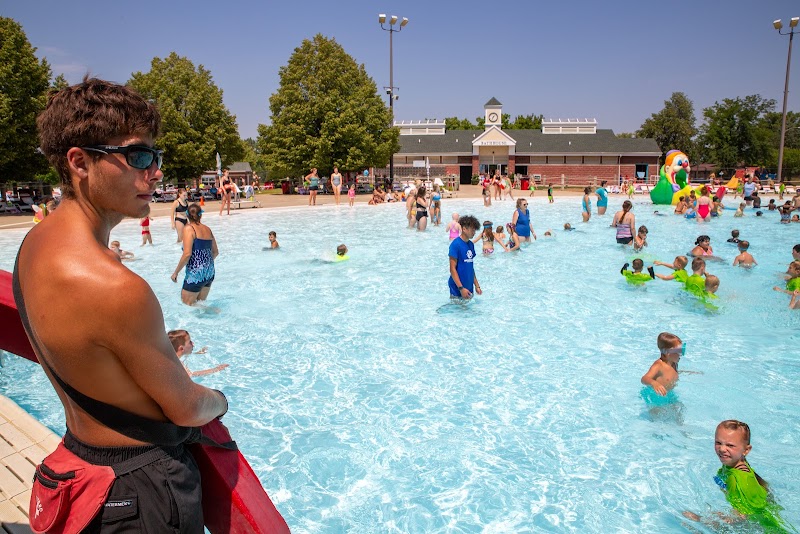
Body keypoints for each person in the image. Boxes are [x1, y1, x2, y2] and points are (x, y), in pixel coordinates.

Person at [17, 77, 227, 531]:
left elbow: (84, 343)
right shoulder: (116, 286)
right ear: (79, 162)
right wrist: (220, 400)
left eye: (155, 157)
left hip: (81, 462)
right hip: (141, 487)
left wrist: (151, 345)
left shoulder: (34, 246)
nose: (154, 172)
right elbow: (188, 408)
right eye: (138, 156)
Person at [684, 420, 789, 530]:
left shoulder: (736, 479)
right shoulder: (735, 467)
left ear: (746, 450)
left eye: (730, 445)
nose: (722, 449)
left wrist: (701, 520)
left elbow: (742, 516)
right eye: (718, 443)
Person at [171, 203, 218, 305]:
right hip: (209, 272)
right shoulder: (207, 229)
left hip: (196, 274)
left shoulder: (189, 229)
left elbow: (187, 254)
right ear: (200, 215)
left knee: (187, 306)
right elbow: (215, 252)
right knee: (200, 305)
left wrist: (176, 272)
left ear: (187, 215)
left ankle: (214, 310)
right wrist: (205, 264)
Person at [448, 215, 482, 300]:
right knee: (456, 311)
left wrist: (477, 285)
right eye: (472, 230)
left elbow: (470, 267)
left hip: (469, 286)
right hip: (457, 288)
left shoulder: (471, 245)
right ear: (464, 229)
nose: (474, 232)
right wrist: (461, 288)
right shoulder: (455, 244)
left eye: (475, 230)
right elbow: (452, 269)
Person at [640, 332, 683, 397]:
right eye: (679, 351)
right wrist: (654, 383)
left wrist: (686, 372)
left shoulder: (674, 363)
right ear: (668, 352)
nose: (681, 354)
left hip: (669, 395)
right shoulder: (658, 365)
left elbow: (670, 373)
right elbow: (644, 378)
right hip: (656, 397)